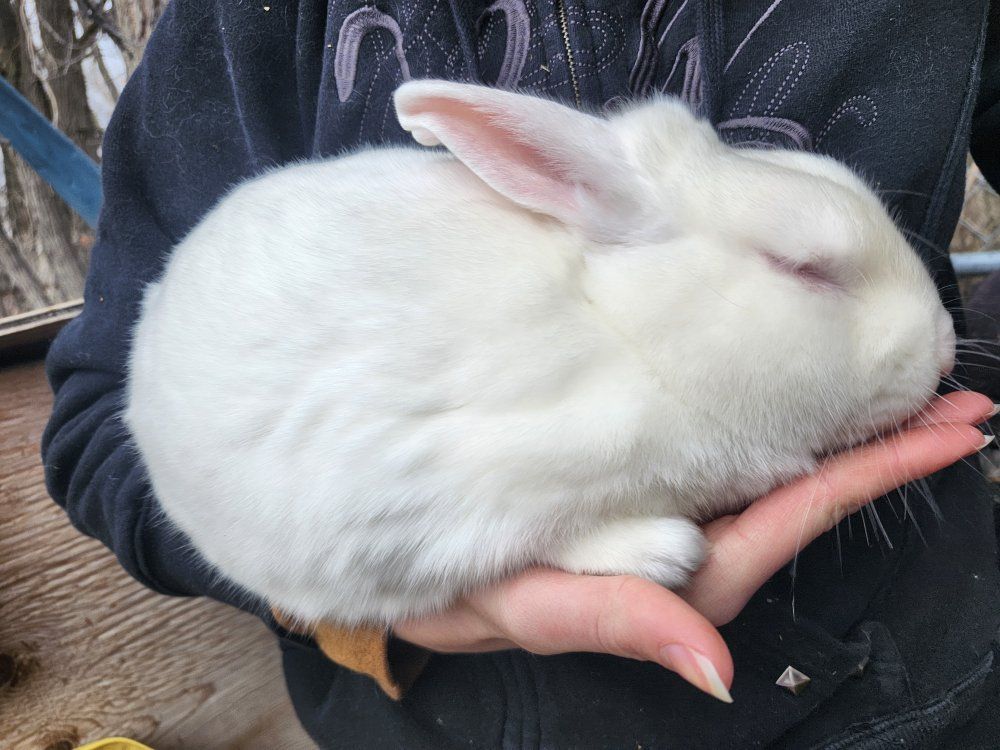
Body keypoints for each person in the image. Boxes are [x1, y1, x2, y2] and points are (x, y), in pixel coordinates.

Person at [42, 1, 1000, 747]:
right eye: (811, 275)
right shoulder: (555, 372)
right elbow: (112, 424)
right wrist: (401, 612)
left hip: (917, 688)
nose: (922, 337)